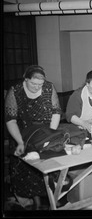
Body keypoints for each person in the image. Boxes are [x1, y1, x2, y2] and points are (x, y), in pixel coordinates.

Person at [4, 65, 62, 209]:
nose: (37, 87)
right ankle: (34, 203)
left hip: (45, 131)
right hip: (23, 134)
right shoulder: (15, 91)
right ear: (26, 79)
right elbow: (11, 120)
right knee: (27, 170)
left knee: (50, 166)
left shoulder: (49, 88)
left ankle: (53, 198)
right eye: (33, 84)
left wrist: (50, 135)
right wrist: (19, 142)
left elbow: (56, 112)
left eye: (40, 84)